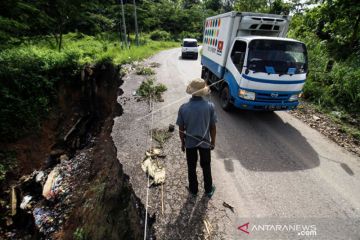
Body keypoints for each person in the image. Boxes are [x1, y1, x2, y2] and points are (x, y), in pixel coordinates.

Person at [176, 78, 217, 198]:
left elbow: (181, 129)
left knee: (191, 166)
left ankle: (193, 190)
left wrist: (183, 143)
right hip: (205, 143)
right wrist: (213, 142)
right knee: (206, 165)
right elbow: (213, 128)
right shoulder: (210, 107)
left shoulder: (183, 108)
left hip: (190, 143)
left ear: (192, 92)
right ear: (203, 92)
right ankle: (208, 190)